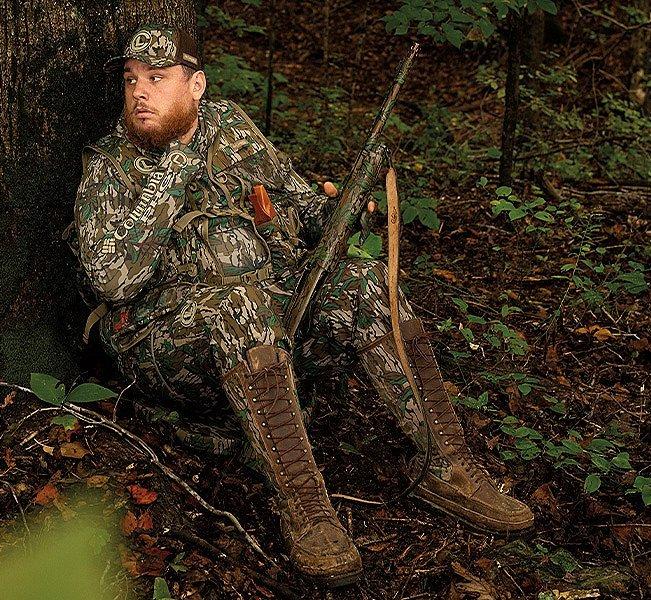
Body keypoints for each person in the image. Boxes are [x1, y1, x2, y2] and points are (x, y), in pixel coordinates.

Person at [71, 24, 534, 584]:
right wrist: (169, 178)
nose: (140, 93)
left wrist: (343, 210)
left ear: (195, 86)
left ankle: (448, 463)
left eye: (157, 79)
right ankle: (308, 510)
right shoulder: (110, 166)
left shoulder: (230, 129)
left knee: (361, 280)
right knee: (236, 306)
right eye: (131, 81)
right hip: (167, 347)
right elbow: (112, 283)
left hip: (270, 321)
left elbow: (301, 203)